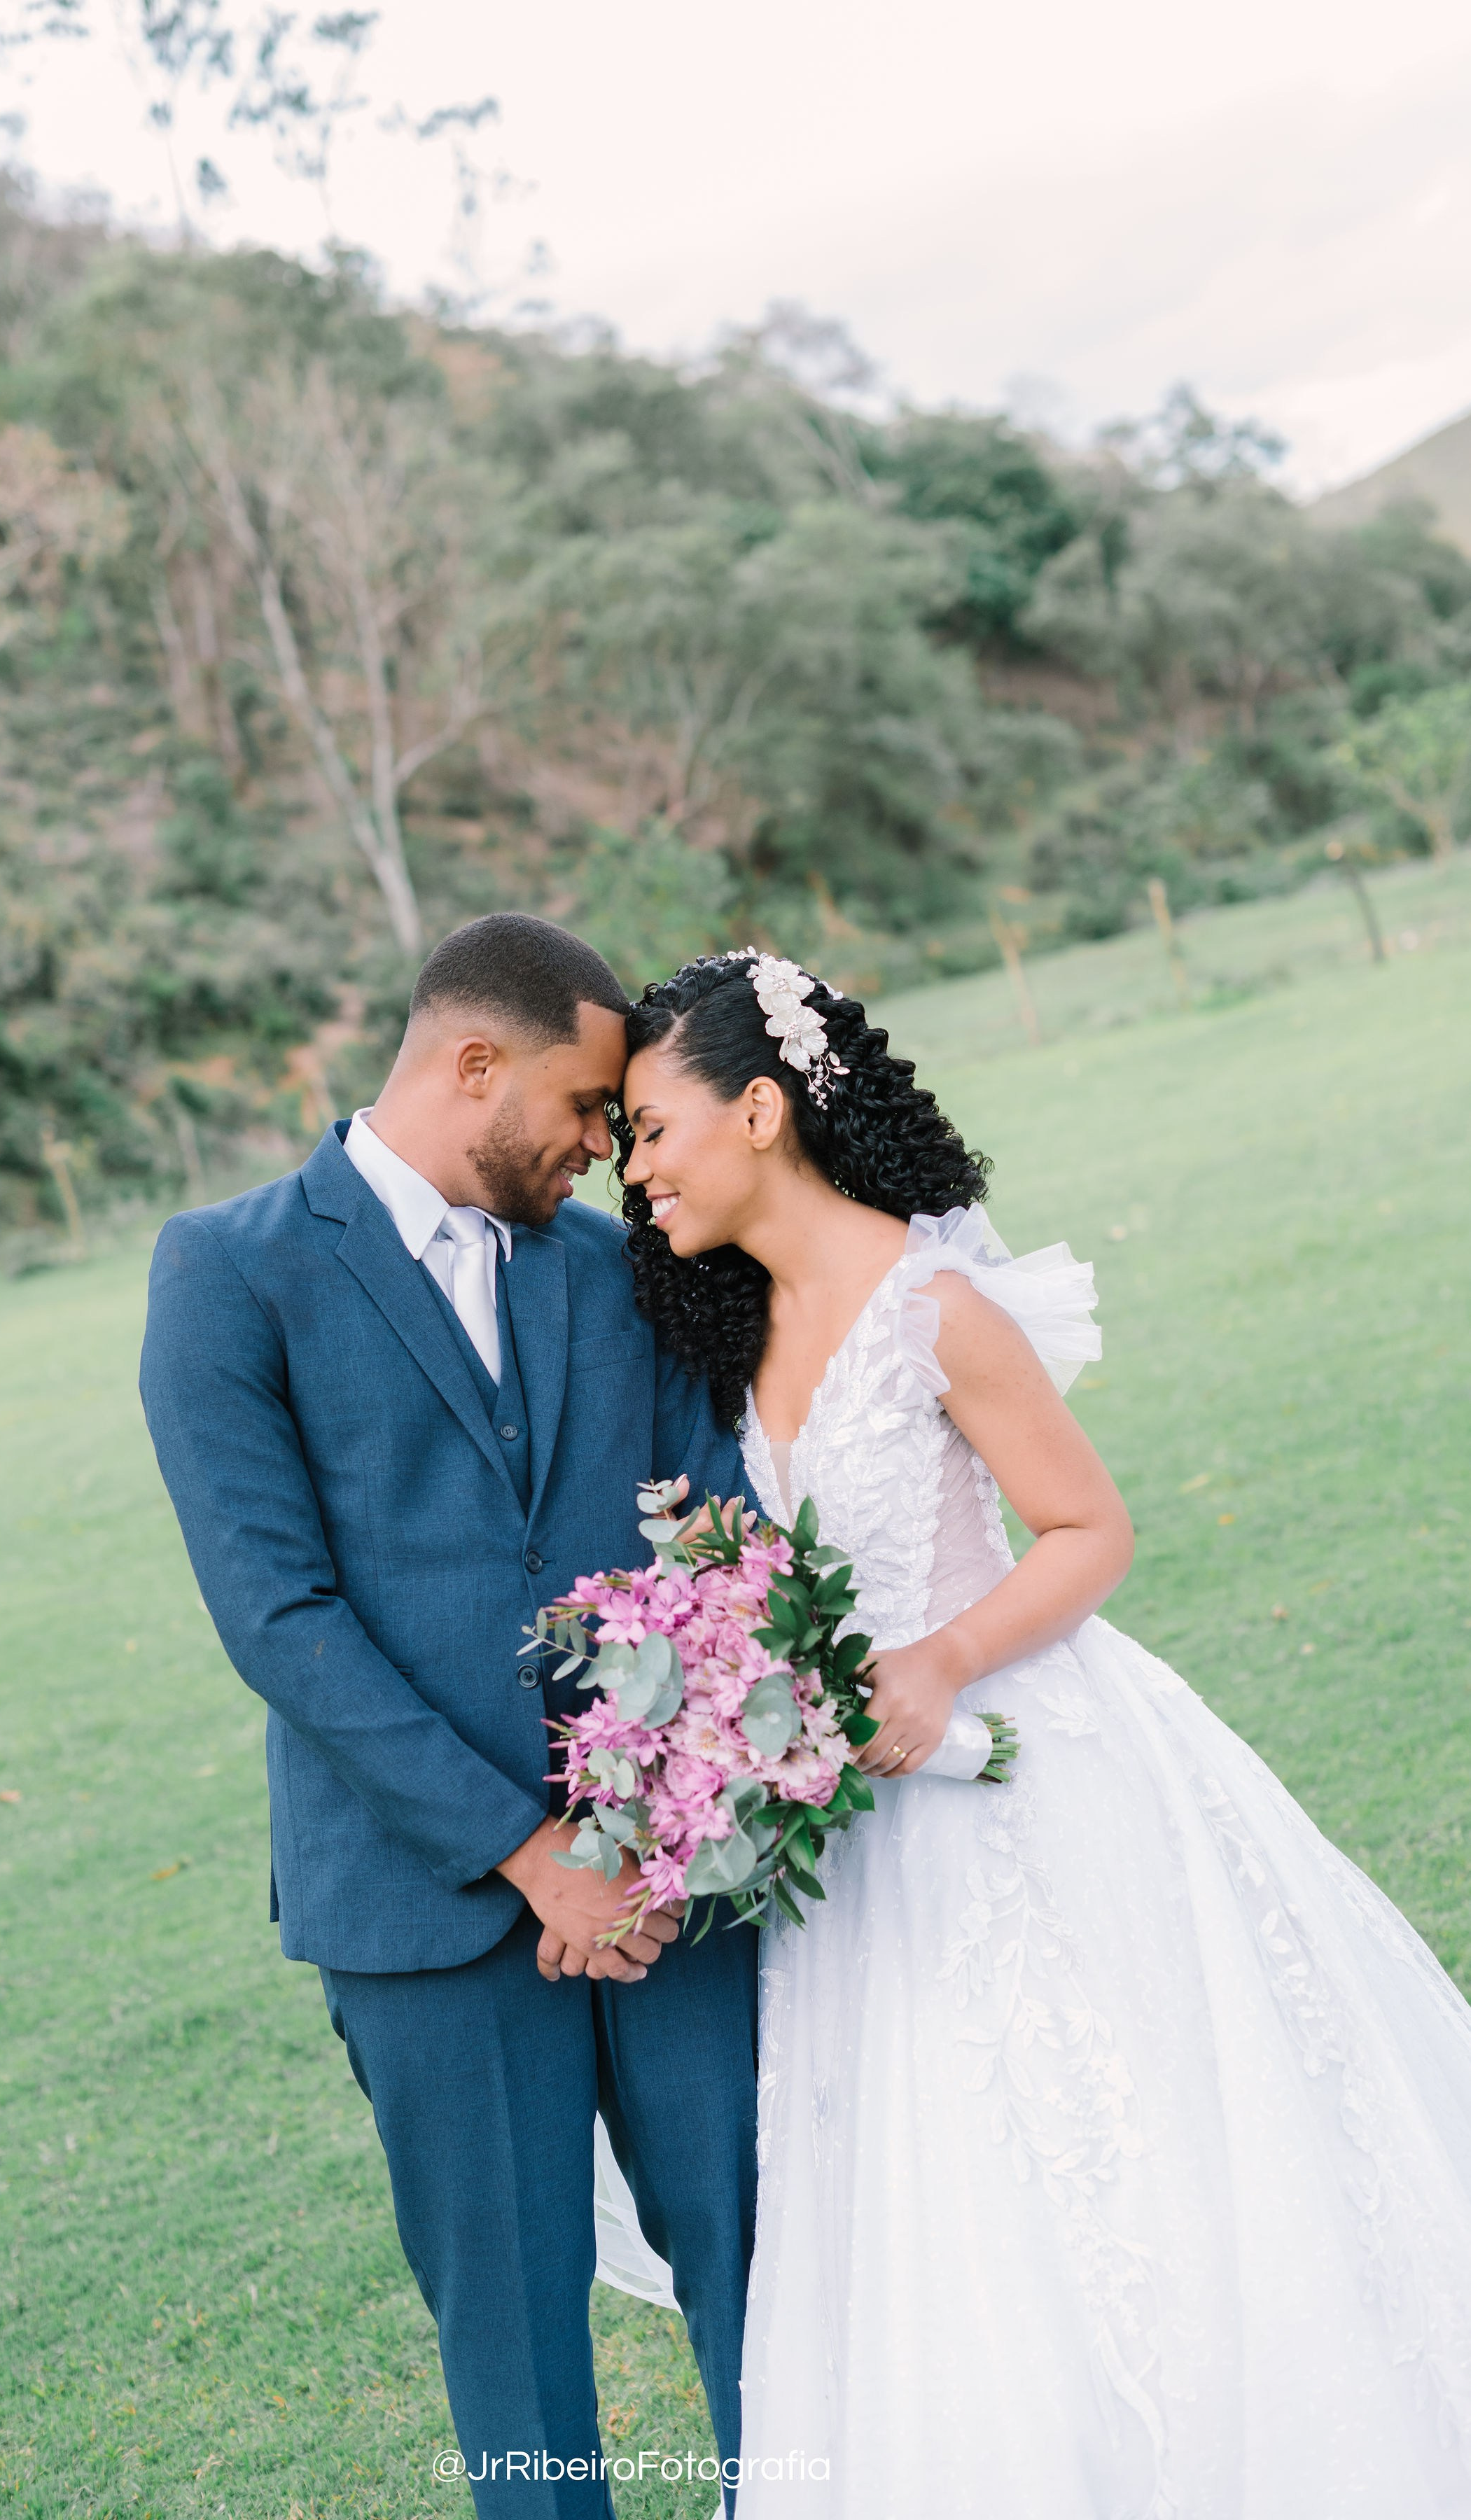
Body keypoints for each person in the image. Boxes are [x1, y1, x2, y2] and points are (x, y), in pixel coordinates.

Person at [613, 949, 1471, 2519]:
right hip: (857, 1833)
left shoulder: (928, 1307)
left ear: (756, 1107)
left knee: (1110, 2128)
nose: (633, 1168)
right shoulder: (730, 1329)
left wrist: (937, 1661)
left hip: (1017, 1761)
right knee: (922, 2180)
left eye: (650, 1129)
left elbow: (1085, 1529)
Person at [139, 915, 758, 2520]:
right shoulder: (229, 1270)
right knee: (516, 2357)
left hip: (668, 1886)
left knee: (768, 2277)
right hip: (423, 1910)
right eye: (581, 1106)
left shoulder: (612, 1267)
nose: (601, 1147)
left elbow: (714, 1530)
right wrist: (528, 1855)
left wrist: (628, 1834)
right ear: (473, 1064)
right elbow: (277, 1619)